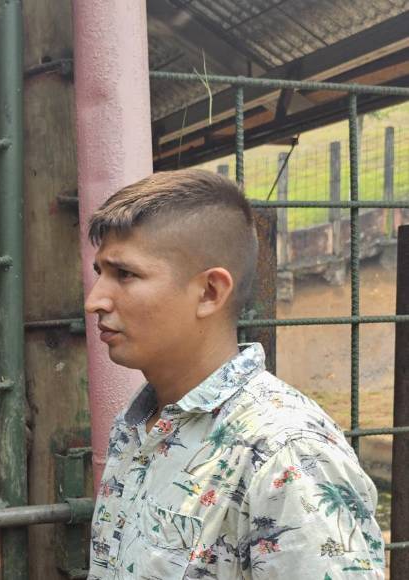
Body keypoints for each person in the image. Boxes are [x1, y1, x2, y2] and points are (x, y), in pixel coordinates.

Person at [84, 169, 384, 579]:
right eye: (100, 272)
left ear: (209, 292)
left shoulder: (287, 453)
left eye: (125, 274)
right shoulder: (136, 426)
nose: (95, 300)